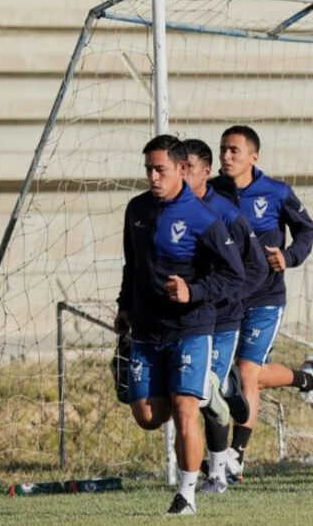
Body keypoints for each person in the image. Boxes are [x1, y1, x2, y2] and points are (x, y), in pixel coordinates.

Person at [115, 134, 245, 516]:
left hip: (191, 328)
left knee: (185, 408)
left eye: (161, 170)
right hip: (147, 331)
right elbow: (132, 265)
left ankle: (186, 496)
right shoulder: (136, 209)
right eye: (149, 170)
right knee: (148, 417)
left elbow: (234, 275)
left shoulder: (204, 217)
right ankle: (201, 390)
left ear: (181, 169)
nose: (153, 177)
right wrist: (125, 307)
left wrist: (194, 291)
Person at [208, 125, 313, 483]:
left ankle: (236, 457)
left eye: (234, 150)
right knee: (240, 376)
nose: (226, 156)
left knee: (247, 372)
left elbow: (307, 230)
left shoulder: (276, 192)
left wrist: (288, 256)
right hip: (223, 299)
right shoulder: (211, 193)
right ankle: (306, 378)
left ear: (254, 156)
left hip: (265, 297)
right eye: (223, 149)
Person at [181, 139, 270, 493]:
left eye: (187, 168)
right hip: (185, 319)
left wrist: (228, 299)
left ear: (205, 172)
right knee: (192, 394)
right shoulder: (166, 211)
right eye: (177, 167)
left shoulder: (227, 215)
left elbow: (257, 266)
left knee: (207, 394)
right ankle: (229, 387)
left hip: (221, 320)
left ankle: (217, 475)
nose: (180, 174)